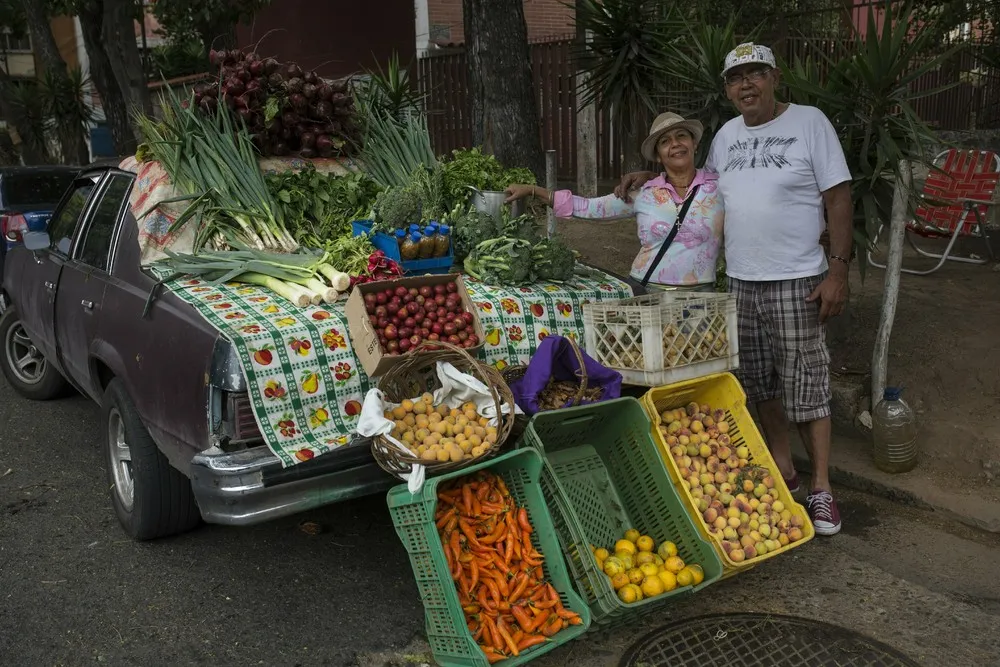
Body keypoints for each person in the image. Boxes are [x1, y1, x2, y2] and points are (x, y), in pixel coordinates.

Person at [617, 43, 852, 536]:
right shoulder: (725, 136)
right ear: (727, 89)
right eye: (736, 78)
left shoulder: (811, 123)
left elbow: (838, 195)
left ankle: (823, 489)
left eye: (755, 74)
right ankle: (784, 471)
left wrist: (838, 269)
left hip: (798, 278)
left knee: (806, 383)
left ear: (774, 77)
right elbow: (698, 184)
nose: (746, 85)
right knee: (760, 382)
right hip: (740, 282)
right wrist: (649, 177)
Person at [505, 112, 724, 293]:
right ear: (658, 156)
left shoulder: (720, 189)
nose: (675, 144)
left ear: (694, 143)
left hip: (700, 297)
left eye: (681, 136)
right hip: (645, 292)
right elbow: (589, 208)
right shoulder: (644, 193)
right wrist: (533, 190)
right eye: (665, 141)